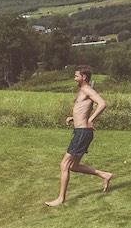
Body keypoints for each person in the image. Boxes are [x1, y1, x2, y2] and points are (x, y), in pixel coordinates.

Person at [46, 66, 114, 207]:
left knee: (64, 164)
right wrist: (74, 118)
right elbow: (82, 109)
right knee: (74, 166)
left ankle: (60, 199)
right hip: (80, 131)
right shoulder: (82, 90)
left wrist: (91, 120)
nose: (74, 78)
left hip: (82, 132)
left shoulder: (87, 90)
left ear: (83, 77)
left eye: (76, 76)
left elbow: (102, 104)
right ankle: (104, 175)